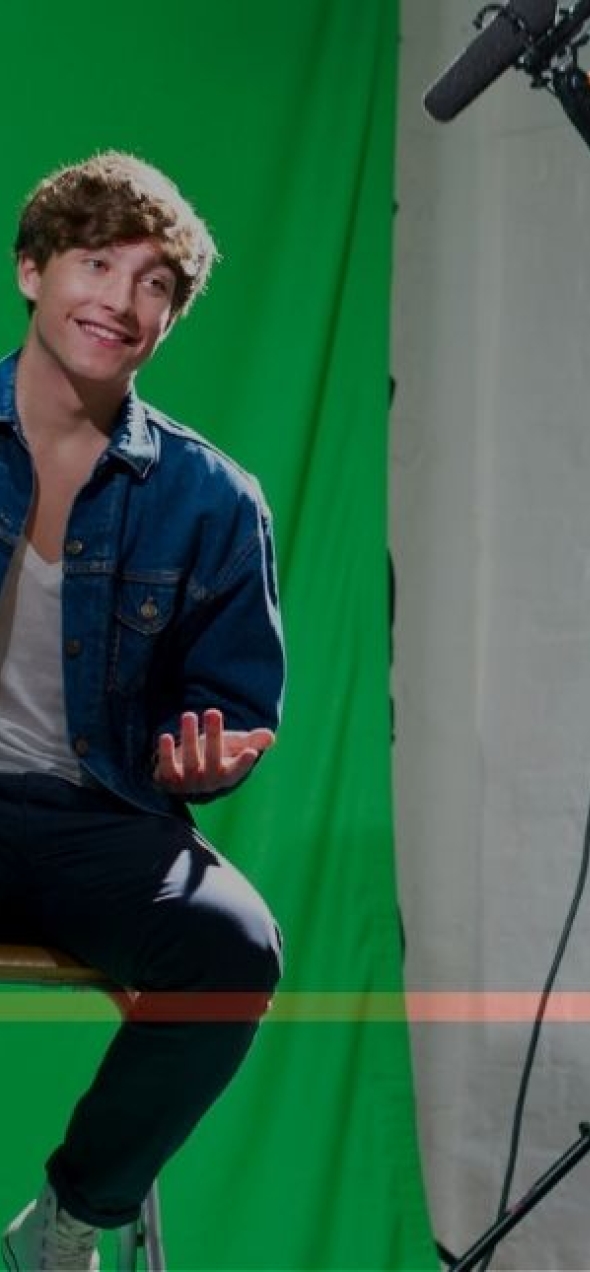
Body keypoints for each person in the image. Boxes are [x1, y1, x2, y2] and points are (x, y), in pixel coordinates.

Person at [0, 152, 284, 1271]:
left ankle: (72, 1221)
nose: (121, 299)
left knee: (232, 944)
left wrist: (203, 763)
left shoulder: (215, 498)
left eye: (156, 281)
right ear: (33, 270)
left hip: (95, 820)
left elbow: (231, 699)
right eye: (96, 261)